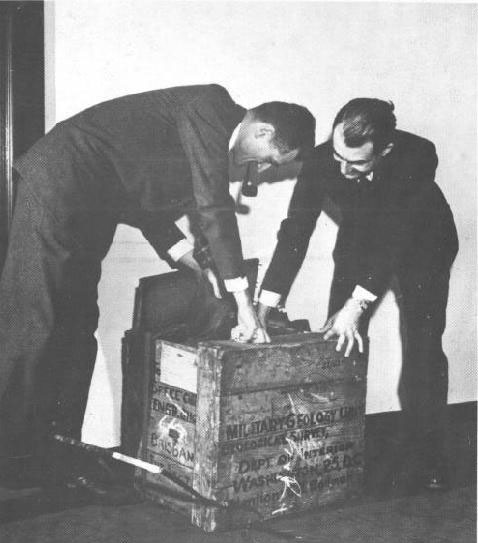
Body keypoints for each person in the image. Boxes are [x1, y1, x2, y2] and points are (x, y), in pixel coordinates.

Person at [0, 84, 315, 495]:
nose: (264, 170)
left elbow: (147, 207)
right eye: (271, 160)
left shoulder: (197, 142)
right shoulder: (211, 108)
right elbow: (214, 206)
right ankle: (8, 456)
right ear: (263, 132)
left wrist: (201, 267)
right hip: (56, 186)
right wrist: (243, 303)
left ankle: (54, 457)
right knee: (32, 324)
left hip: (92, 207)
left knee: (78, 328)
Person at [257, 98, 458, 493]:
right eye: (338, 157)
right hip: (361, 241)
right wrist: (267, 304)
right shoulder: (321, 160)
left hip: (423, 244)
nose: (344, 171)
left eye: (358, 164)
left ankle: (430, 454)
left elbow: (397, 236)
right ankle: (333, 450)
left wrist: (359, 301)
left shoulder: (418, 155)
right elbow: (296, 231)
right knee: (339, 336)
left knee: (422, 345)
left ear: (385, 150)